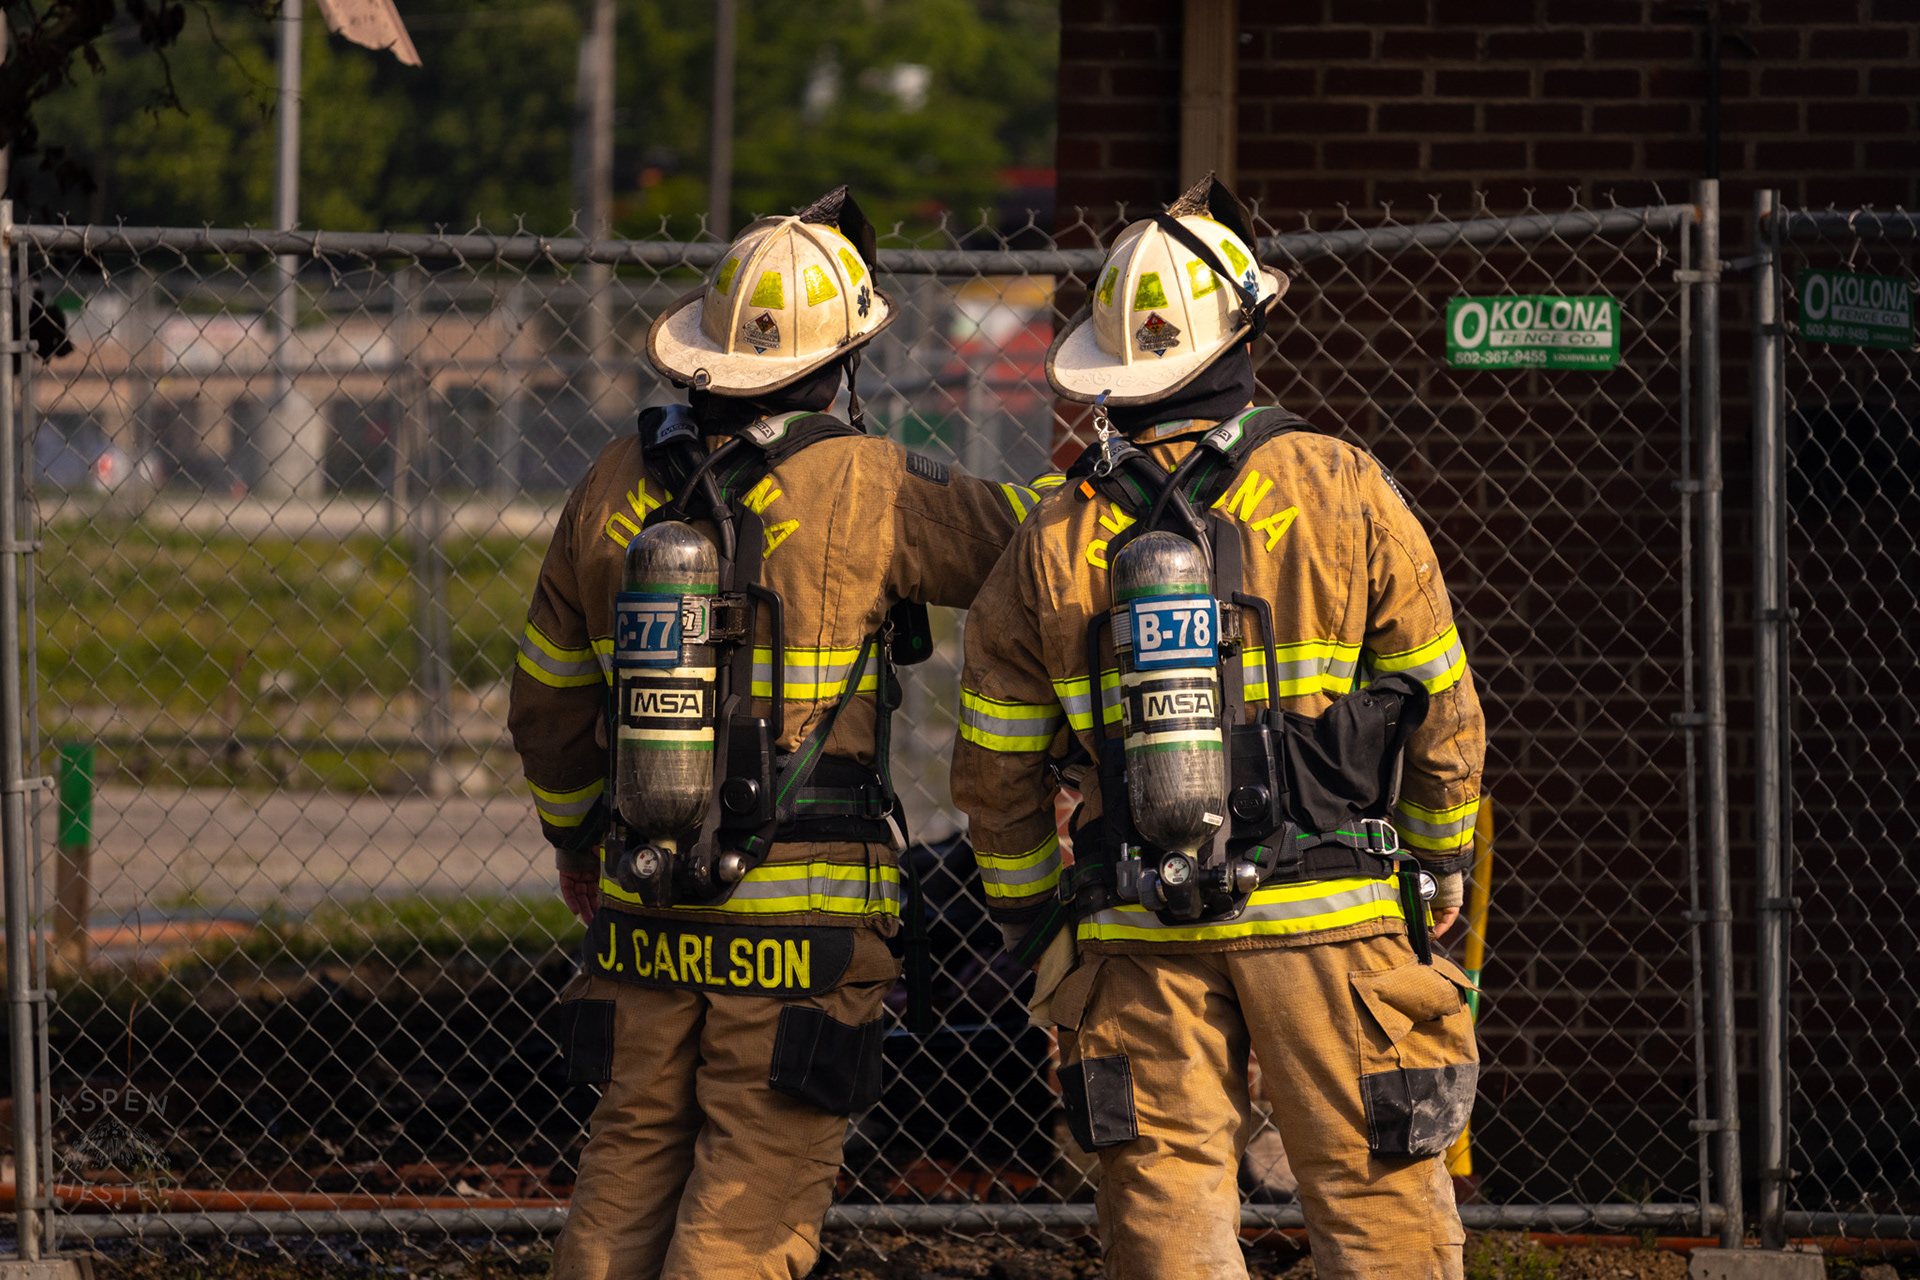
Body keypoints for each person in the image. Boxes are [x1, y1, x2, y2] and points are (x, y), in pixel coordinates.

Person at [950, 174, 1487, 1280]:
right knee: (1380, 1214)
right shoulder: (1342, 483)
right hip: (1332, 922)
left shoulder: (1056, 532)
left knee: (1166, 1221)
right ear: (1243, 327)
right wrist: (1440, 864)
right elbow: (1442, 705)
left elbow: (995, 767)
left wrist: (1038, 924)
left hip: (1138, 928)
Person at [510, 186, 1035, 1280]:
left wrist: (575, 842)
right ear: (841, 359)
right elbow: (1040, 560)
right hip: (804, 922)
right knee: (751, 1201)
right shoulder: (875, 481)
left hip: (644, 900)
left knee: (623, 1173)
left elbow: (548, 702)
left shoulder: (610, 484)